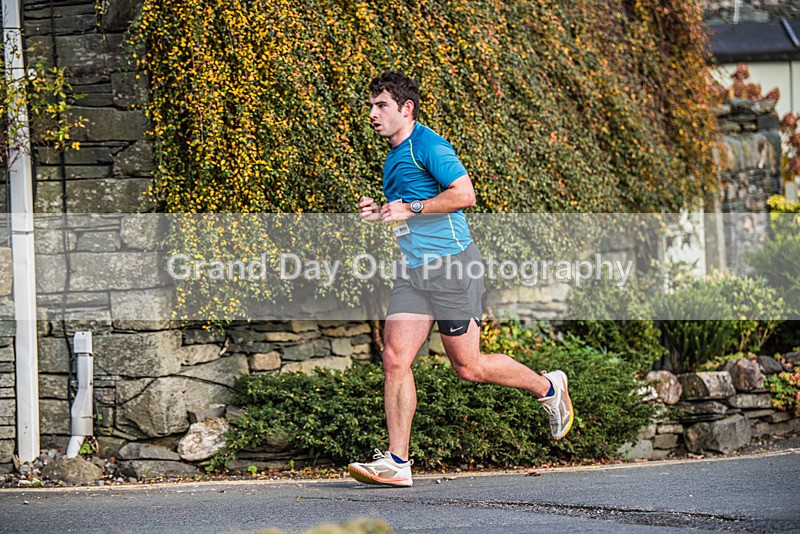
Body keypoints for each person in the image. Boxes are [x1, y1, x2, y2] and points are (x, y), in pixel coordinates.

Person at [348, 71, 573, 488]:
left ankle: (548, 386)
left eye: (381, 106)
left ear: (406, 108)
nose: (373, 114)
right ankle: (397, 461)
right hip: (415, 273)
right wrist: (382, 212)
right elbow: (411, 211)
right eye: (372, 106)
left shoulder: (429, 145)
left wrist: (409, 209)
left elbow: (463, 194)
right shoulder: (394, 155)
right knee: (395, 358)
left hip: (452, 266)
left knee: (469, 367)